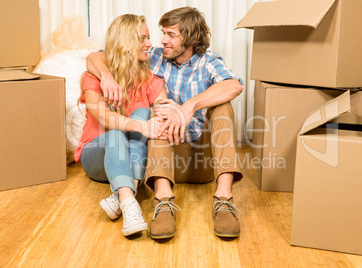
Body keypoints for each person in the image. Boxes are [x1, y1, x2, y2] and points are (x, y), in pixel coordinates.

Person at [86, 7, 244, 239]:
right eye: (162, 34)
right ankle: (163, 201)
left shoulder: (209, 62)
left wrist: (189, 107)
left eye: (170, 35)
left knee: (223, 107)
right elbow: (99, 56)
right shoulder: (156, 56)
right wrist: (106, 77)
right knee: (158, 112)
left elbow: (234, 85)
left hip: (204, 161)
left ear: (190, 37)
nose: (162, 40)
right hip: (168, 160)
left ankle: (224, 199)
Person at [74, 14, 168, 237]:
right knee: (118, 130)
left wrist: (169, 114)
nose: (149, 44)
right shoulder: (94, 77)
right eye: (142, 38)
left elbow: (161, 115)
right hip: (96, 154)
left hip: (132, 158)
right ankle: (130, 200)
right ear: (126, 42)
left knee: (145, 112)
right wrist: (140, 126)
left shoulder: (149, 79)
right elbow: (104, 118)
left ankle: (124, 199)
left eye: (148, 38)